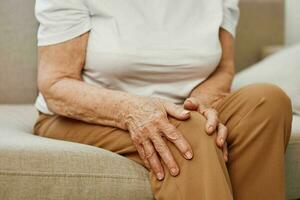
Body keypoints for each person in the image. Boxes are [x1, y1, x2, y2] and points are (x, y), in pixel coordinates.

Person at [33, 0, 292, 199]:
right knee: (186, 131)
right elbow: (56, 84)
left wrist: (201, 102)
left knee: (266, 102)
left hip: (184, 109)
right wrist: (133, 109)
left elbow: (223, 68)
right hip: (85, 114)